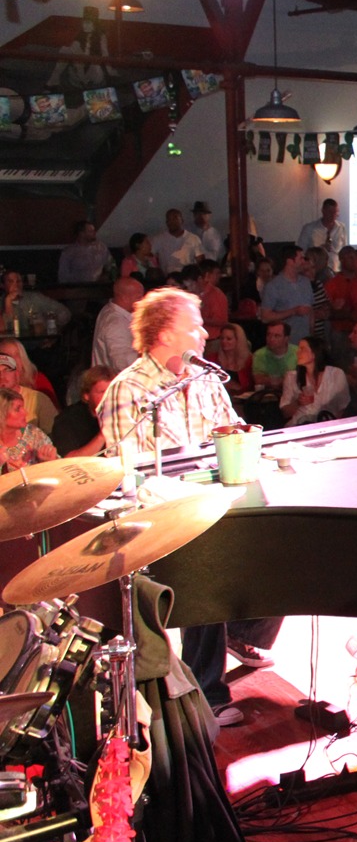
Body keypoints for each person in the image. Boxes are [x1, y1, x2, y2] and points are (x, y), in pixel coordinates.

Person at [94, 287, 248, 726]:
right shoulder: (129, 390)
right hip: (160, 515)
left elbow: (231, 433)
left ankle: (243, 631)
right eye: (193, 326)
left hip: (213, 496)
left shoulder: (204, 379)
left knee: (276, 533)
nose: (204, 333)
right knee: (208, 558)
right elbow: (135, 473)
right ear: (164, 334)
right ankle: (208, 692)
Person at [279, 336, 349, 426]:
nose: (297, 352)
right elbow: (285, 412)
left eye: (302, 349)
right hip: (300, 425)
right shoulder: (292, 377)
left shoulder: (335, 374)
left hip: (329, 425)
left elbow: (343, 407)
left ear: (314, 353)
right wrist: (298, 402)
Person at [50, 365, 114, 457]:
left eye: (112, 391)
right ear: (86, 395)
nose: (109, 397)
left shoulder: (123, 411)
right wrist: (103, 434)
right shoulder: (66, 420)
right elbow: (69, 460)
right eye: (102, 392)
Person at [260, 246, 313, 344]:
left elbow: (310, 310)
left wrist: (311, 333)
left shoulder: (306, 282)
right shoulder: (273, 286)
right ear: (290, 261)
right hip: (285, 344)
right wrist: (293, 311)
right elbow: (265, 317)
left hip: (305, 341)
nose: (304, 262)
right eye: (301, 258)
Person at [0, 387, 58, 471]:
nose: (25, 413)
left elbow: (60, 467)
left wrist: (50, 461)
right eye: (17, 409)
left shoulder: (33, 433)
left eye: (23, 407)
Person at [0, 353, 56, 435]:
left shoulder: (39, 399)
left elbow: (53, 434)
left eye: (7, 370)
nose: (2, 376)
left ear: (17, 373)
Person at [150, 208, 203, 274]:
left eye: (175, 218)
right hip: (166, 279)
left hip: (187, 279)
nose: (172, 221)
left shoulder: (193, 239)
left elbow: (200, 261)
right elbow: (149, 256)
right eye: (169, 219)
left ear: (182, 220)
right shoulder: (158, 239)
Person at [252, 322, 297, 390]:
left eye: (277, 336)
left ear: (286, 338)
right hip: (268, 395)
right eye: (269, 335)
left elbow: (300, 379)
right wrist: (286, 380)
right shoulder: (259, 354)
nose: (271, 339)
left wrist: (271, 380)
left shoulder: (298, 352)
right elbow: (258, 380)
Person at [215, 322, 255, 395]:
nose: (224, 341)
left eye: (228, 339)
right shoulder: (212, 359)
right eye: (222, 338)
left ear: (239, 341)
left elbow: (252, 386)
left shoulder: (249, 360)